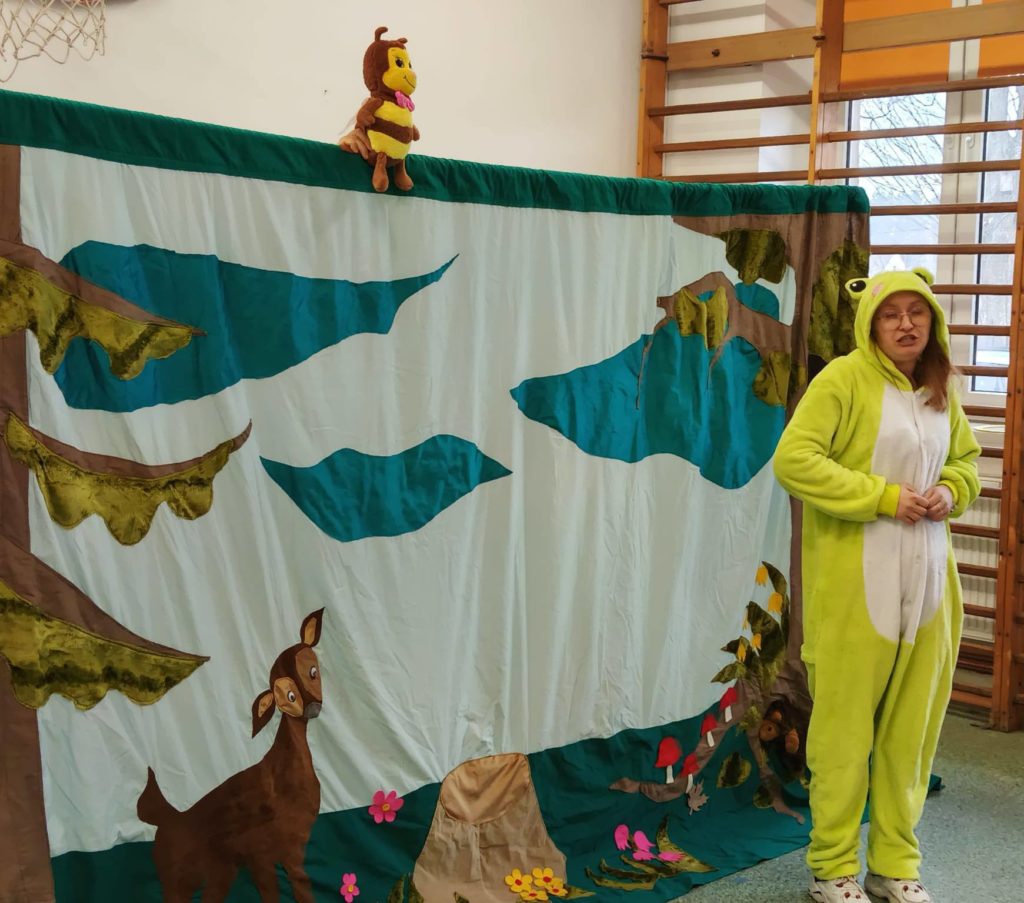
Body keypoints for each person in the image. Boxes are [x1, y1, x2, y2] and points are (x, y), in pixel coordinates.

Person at [773, 268, 981, 903]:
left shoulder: (941, 387)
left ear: (933, 323)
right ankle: (832, 869)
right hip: (855, 592)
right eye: (892, 314)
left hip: (930, 593)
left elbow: (965, 461)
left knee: (910, 739)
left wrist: (951, 491)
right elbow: (794, 460)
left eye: (917, 313)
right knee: (843, 738)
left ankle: (894, 867)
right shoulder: (843, 379)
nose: (906, 324)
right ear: (871, 323)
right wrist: (883, 497)